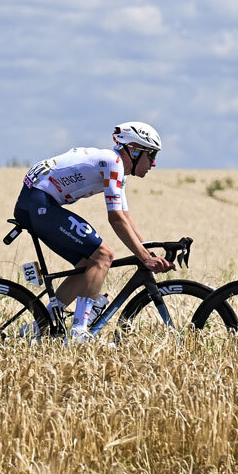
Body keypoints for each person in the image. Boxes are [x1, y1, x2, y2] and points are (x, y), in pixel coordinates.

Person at [14, 121, 175, 342]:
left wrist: (148, 250)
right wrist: (145, 258)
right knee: (103, 256)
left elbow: (125, 216)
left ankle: (38, 326)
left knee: (85, 267)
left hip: (36, 202)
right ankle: (79, 332)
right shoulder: (113, 163)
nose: (154, 163)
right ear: (134, 151)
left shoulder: (117, 168)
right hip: (38, 202)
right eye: (151, 155)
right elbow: (115, 218)